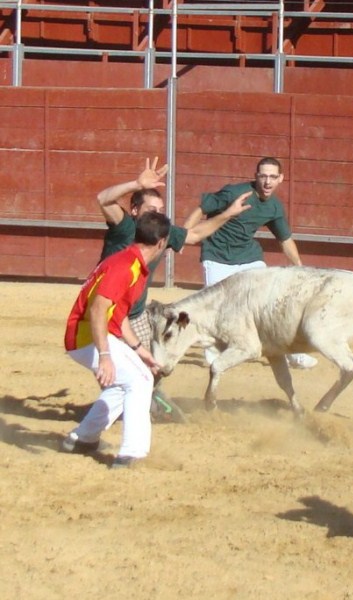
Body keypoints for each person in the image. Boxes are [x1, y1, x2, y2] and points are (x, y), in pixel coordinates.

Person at [97, 157, 251, 421]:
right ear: (134, 210)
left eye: (160, 209)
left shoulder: (162, 233)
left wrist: (227, 214)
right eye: (150, 208)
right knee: (122, 371)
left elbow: (195, 235)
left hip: (135, 314)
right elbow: (103, 199)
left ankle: (145, 403)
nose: (156, 214)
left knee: (150, 366)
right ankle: (117, 416)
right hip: (107, 312)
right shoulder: (124, 226)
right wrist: (136, 183)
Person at [183, 156, 317, 369]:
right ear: (256, 176)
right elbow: (202, 207)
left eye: (273, 177)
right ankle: (213, 353)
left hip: (248, 257)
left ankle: (294, 353)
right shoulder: (235, 193)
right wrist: (184, 234)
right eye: (263, 176)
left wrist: (299, 265)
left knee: (271, 305)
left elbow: (284, 239)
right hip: (217, 255)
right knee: (214, 307)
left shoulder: (274, 206)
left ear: (281, 179)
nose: (267, 182)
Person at [62, 211, 171, 469]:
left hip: (90, 334)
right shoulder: (126, 267)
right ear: (161, 243)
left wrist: (139, 350)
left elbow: (117, 315)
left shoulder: (129, 263)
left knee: (123, 384)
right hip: (87, 336)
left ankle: (82, 439)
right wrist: (105, 356)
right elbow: (99, 310)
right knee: (141, 380)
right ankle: (131, 454)